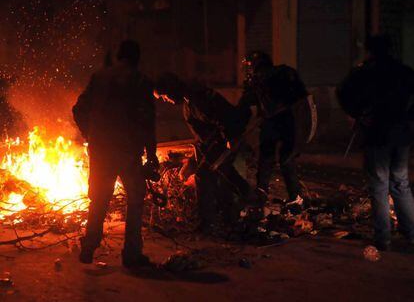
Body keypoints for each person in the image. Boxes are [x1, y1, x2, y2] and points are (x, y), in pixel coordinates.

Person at [73, 40, 158, 267]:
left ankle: (89, 246)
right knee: (136, 198)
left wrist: (89, 134)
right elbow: (148, 121)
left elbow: (78, 108)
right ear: (137, 57)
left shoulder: (99, 77)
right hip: (127, 150)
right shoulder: (140, 81)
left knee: (99, 198)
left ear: (119, 56)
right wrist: (151, 154)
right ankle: (131, 254)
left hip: (100, 149)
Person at [337, 34, 414, 250]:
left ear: (370, 51)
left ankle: (384, 239)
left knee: (379, 185)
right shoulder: (404, 71)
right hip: (401, 133)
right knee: (401, 183)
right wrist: (408, 118)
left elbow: (342, 92)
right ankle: (411, 233)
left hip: (377, 132)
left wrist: (358, 113)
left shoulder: (364, 72)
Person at [154, 73, 251, 232]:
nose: (166, 100)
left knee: (203, 177)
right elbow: (203, 134)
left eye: (164, 96)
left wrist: (229, 139)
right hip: (215, 143)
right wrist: (192, 159)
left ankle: (209, 223)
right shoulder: (190, 98)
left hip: (223, 142)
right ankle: (242, 204)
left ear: (171, 90)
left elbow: (221, 119)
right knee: (225, 174)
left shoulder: (196, 101)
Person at [238, 51, 308, 207]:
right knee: (281, 158)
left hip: (281, 120)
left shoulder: (259, 79)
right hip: (288, 120)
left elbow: (244, 106)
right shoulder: (283, 72)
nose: (248, 70)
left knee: (270, 157)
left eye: (249, 66)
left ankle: (263, 193)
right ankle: (293, 196)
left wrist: (234, 125)